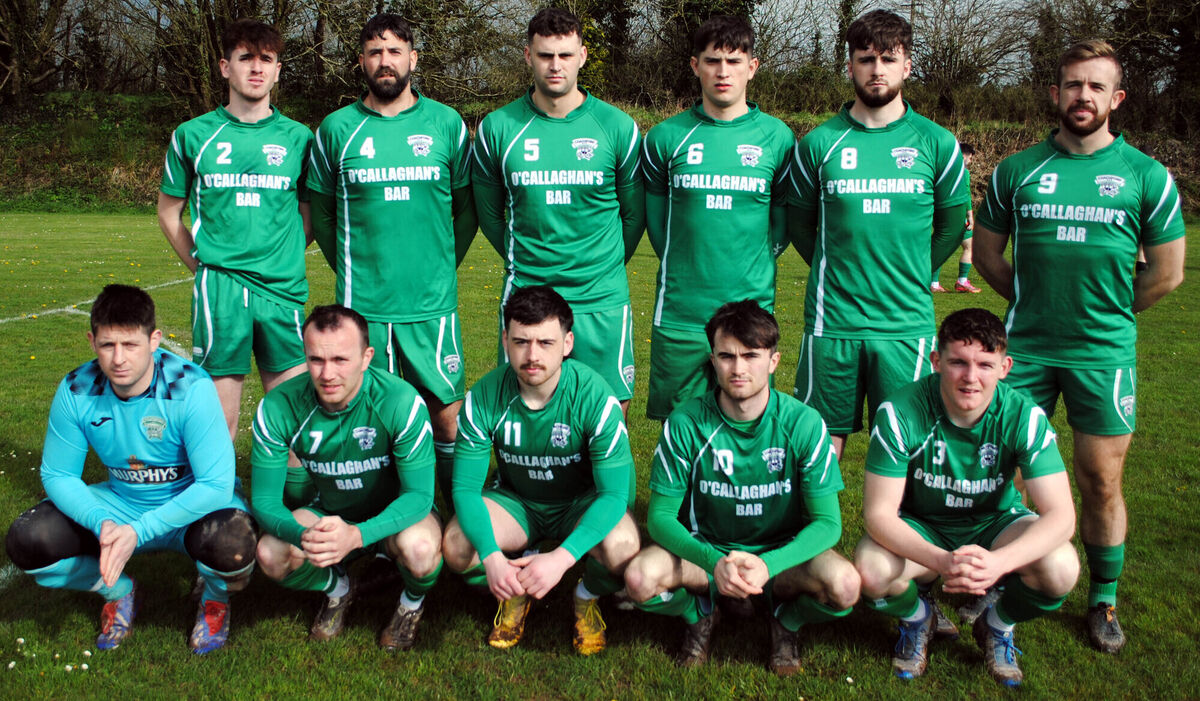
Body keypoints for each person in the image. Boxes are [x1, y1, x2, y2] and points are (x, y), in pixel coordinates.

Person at [973, 39, 1185, 654]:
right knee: (996, 471)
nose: (1082, 96)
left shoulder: (1145, 174)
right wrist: (1035, 306)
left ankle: (1103, 598)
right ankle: (991, 583)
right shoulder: (1019, 170)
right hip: (1026, 351)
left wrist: (1108, 315)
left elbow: (1167, 273)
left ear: (1116, 98)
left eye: (1096, 86)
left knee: (1099, 479)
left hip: (1103, 355)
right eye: (1072, 84)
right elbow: (988, 255)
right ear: (1055, 93)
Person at [4, 284, 257, 654]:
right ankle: (118, 590)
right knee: (28, 541)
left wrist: (139, 532)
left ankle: (214, 600)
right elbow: (58, 475)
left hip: (189, 506)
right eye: (108, 345)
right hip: (120, 504)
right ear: (92, 341)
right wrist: (101, 522)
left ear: (154, 340)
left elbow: (216, 486)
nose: (119, 358)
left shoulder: (190, 388)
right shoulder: (77, 389)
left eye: (131, 345)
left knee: (234, 545)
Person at [623, 300, 860, 675]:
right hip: (706, 555)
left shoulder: (804, 423)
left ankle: (787, 621)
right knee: (639, 579)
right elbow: (661, 518)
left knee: (845, 586)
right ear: (712, 360)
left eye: (751, 355)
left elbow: (829, 523)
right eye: (726, 356)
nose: (738, 368)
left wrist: (768, 565)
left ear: (774, 361)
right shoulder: (685, 423)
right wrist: (714, 562)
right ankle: (698, 613)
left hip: (782, 558)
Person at [855, 308, 1079, 687]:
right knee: (871, 570)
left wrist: (997, 564)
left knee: (1061, 568)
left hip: (996, 524)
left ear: (1005, 366)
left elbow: (1062, 516)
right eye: (958, 362)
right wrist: (943, 561)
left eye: (985, 365)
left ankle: (997, 623)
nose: (971, 377)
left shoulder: (1024, 415)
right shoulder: (900, 412)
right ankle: (916, 616)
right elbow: (878, 515)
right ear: (936, 361)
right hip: (925, 527)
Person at [308, 14, 476, 509]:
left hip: (431, 305)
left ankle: (456, 515)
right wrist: (355, 269)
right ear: (361, 60)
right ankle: (385, 532)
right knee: (374, 418)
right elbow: (321, 214)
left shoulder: (445, 123)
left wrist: (442, 263)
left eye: (396, 51)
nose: (386, 61)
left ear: (413, 59)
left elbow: (465, 207)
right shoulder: (337, 130)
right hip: (366, 308)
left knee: (447, 413)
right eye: (375, 52)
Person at [788, 9, 971, 462]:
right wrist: (840, 267)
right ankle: (822, 535)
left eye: (889, 59)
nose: (877, 69)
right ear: (849, 65)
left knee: (907, 446)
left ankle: (900, 535)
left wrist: (917, 268)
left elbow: (952, 223)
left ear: (907, 66)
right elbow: (799, 224)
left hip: (905, 324)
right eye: (866, 58)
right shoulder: (818, 144)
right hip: (833, 323)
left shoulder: (937, 143)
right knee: (820, 447)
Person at [442, 286, 639, 655]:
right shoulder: (485, 396)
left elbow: (614, 495)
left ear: (567, 343)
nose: (532, 356)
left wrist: (563, 559)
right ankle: (516, 586)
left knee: (624, 546)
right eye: (521, 342)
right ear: (505, 340)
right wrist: (491, 557)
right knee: (456, 547)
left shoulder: (596, 398)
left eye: (545, 343)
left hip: (580, 503)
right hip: (518, 503)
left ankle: (586, 594)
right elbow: (466, 491)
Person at [473, 8, 644, 412]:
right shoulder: (498, 128)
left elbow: (634, 217)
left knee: (608, 412)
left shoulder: (616, 127)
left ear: (582, 56)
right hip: (527, 296)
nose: (555, 65)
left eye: (565, 55)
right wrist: (526, 262)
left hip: (599, 296)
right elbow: (488, 215)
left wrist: (603, 266)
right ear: (528, 56)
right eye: (546, 55)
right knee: (525, 411)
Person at [158, 18, 313, 443]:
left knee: (293, 418)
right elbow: (170, 211)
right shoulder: (193, 135)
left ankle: (293, 501)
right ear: (226, 67)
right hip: (220, 291)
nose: (256, 68)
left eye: (267, 59)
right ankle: (219, 503)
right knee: (219, 419)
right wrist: (202, 265)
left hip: (282, 290)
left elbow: (309, 211)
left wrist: (283, 253)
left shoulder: (299, 138)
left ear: (279, 70)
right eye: (246, 58)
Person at [251, 305, 441, 649]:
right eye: (316, 360)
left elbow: (419, 495)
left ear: (367, 357)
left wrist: (357, 535)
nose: (327, 374)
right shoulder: (278, 406)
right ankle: (338, 589)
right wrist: (303, 535)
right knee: (270, 553)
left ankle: (411, 603)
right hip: (328, 511)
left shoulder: (399, 401)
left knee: (422, 550)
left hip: (396, 515)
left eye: (341, 360)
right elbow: (264, 500)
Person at [642, 15, 795, 421]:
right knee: (679, 427)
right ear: (695, 66)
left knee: (748, 422)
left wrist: (760, 259)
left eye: (733, 60)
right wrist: (685, 260)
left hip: (751, 307)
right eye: (712, 61)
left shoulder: (777, 138)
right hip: (681, 313)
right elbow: (657, 224)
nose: (722, 71)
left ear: (753, 67)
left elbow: (782, 221)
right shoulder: (665, 137)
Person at [931, 142, 982, 293]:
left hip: (939, 212)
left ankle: (933, 283)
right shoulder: (962, 172)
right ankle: (962, 281)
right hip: (956, 214)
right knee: (969, 246)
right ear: (964, 155)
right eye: (970, 158)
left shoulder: (940, 170)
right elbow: (965, 194)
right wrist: (970, 216)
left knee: (940, 243)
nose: (970, 161)